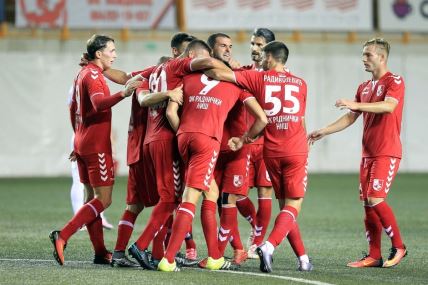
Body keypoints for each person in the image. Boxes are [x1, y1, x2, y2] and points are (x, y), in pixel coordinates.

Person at [156, 39, 267, 272]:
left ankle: (215, 256)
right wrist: (245, 139)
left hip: (184, 137)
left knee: (212, 192)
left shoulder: (187, 78)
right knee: (191, 197)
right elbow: (263, 119)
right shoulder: (238, 83)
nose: (228, 50)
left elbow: (170, 110)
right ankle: (168, 259)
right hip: (208, 141)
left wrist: (184, 133)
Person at [203, 40, 312, 273]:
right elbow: (301, 119)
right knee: (293, 206)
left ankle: (303, 259)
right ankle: (269, 246)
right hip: (296, 148)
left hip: (271, 151)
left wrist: (209, 63)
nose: (260, 58)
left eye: (263, 54)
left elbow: (220, 74)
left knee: (285, 207)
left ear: (270, 58)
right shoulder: (301, 84)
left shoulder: (258, 78)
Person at [308, 38, 407, 268]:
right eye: (363, 54)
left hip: (387, 151)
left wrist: (356, 105)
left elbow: (388, 106)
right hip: (367, 154)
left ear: (382, 57)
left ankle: (399, 246)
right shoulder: (364, 87)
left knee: (375, 198)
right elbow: (351, 117)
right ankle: (374, 255)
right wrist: (324, 131)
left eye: (368, 55)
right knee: (367, 203)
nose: (364, 59)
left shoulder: (395, 81)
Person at [49, 34, 139, 266]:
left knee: (91, 199)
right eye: (112, 50)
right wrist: (124, 93)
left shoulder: (82, 73)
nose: (115, 54)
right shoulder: (94, 76)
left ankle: (100, 252)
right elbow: (99, 103)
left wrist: (77, 137)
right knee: (104, 200)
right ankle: (64, 235)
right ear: (98, 54)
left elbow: (73, 109)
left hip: (82, 141)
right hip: (96, 145)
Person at [206, 32, 249, 265]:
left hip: (235, 148)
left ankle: (217, 254)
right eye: (223, 45)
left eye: (230, 46)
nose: (228, 49)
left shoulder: (239, 73)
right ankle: (239, 248)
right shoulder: (205, 72)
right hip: (212, 146)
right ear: (211, 49)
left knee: (228, 201)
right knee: (216, 201)